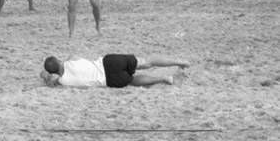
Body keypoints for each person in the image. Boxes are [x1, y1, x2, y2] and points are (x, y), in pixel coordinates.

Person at [40, 54, 190, 88]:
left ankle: (165, 79)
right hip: (107, 62)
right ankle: (179, 62)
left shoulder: (63, 81)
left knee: (132, 81)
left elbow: (51, 83)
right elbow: (72, 56)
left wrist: (46, 76)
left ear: (53, 73)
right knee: (146, 63)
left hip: (108, 80)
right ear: (59, 61)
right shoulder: (71, 60)